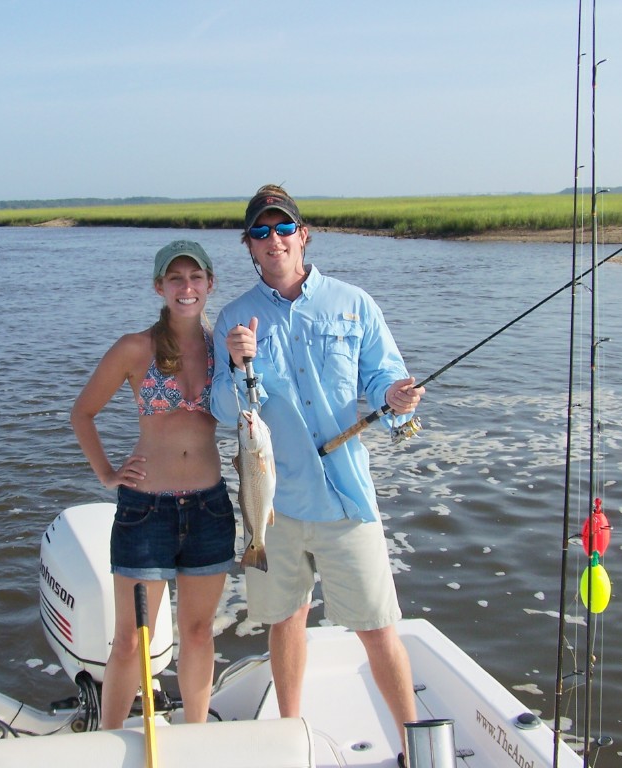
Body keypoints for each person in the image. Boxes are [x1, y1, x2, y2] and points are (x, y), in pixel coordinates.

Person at [211, 185, 422, 762]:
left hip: (346, 502)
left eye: (283, 229)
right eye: (260, 232)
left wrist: (396, 398)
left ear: (303, 235)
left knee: (379, 626)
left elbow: (382, 378)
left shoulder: (354, 304)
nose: (273, 240)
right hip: (273, 509)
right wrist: (235, 363)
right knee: (285, 620)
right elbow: (225, 413)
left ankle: (413, 746)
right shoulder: (232, 319)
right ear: (249, 247)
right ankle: (290, 737)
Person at [71, 239, 235, 729]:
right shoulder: (134, 348)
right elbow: (82, 413)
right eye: (175, 279)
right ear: (159, 286)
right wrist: (107, 474)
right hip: (145, 512)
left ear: (210, 284)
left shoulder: (222, 349)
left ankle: (196, 736)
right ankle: (109, 738)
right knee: (130, 640)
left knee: (200, 631)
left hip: (209, 508)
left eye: (195, 278)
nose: (187, 288)